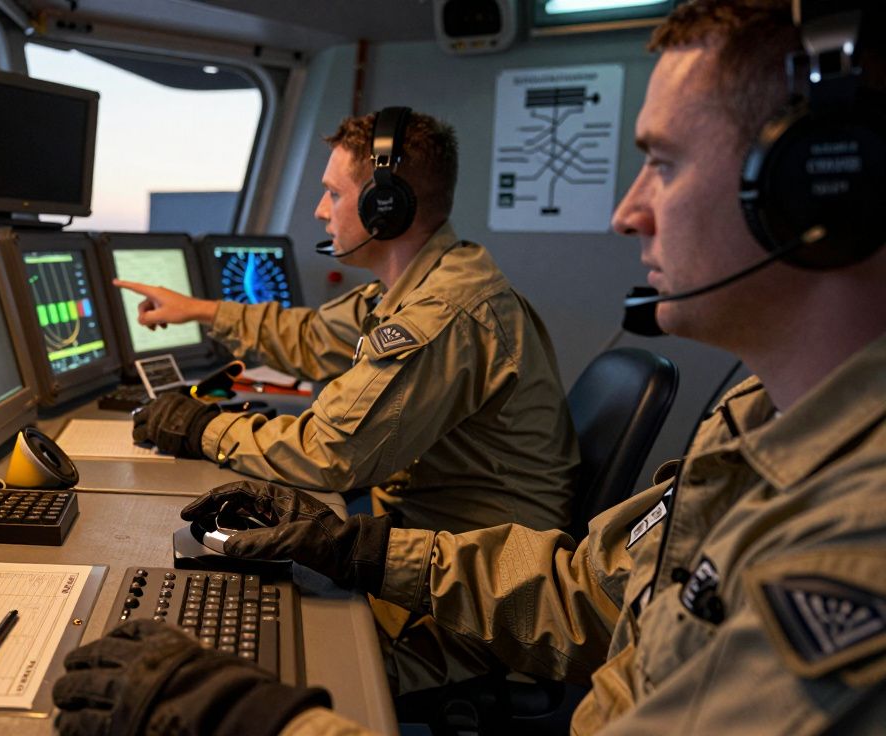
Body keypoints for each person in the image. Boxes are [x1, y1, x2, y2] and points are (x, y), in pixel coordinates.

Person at [53, 1, 886, 732]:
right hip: (456, 568)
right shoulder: (756, 421)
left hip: (461, 636)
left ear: (818, 187)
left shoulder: (849, 543)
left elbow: (331, 454)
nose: (626, 211)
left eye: (663, 164)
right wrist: (364, 549)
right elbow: (585, 593)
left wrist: (260, 721)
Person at [123, 109, 579, 536]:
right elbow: (315, 338)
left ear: (385, 207)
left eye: (335, 193)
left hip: (477, 569)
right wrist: (199, 310)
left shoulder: (444, 313)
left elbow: (330, 453)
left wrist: (201, 428)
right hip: (426, 526)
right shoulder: (419, 283)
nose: (322, 210)